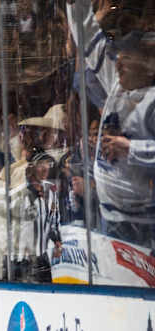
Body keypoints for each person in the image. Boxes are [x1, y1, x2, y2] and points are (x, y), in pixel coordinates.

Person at [67, 0, 155, 247]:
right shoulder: (119, 82)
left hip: (144, 224)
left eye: (126, 56)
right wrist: (75, 7)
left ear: (149, 66)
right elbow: (90, 42)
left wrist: (130, 149)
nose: (118, 62)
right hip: (110, 217)